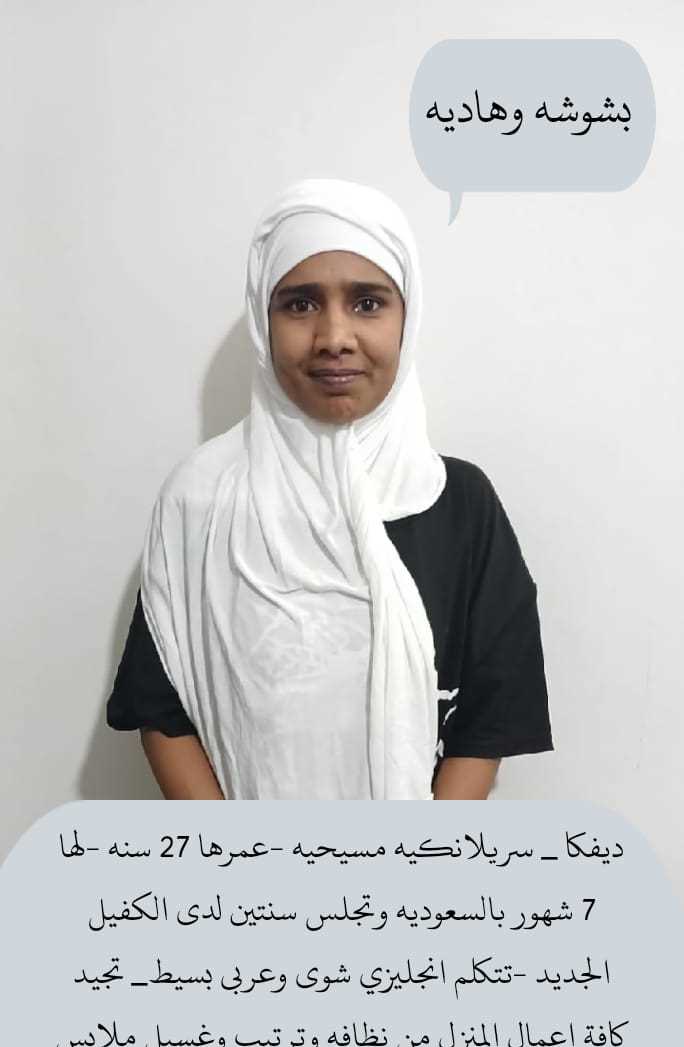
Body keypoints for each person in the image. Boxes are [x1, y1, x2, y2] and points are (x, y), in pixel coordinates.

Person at [107, 178, 552, 800]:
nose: (334, 336)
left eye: (367, 303)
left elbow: (491, 715)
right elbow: (161, 707)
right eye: (300, 304)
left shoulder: (457, 503)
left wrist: (420, 855)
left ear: (407, 317)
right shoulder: (202, 499)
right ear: (264, 323)